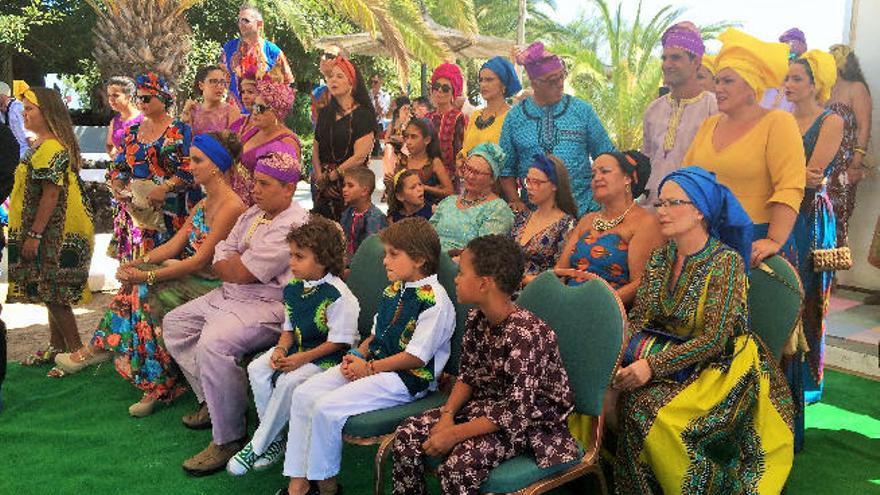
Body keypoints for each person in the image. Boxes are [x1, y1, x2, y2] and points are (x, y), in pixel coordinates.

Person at [613, 166, 794, 495]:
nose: (662, 212)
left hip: (722, 369)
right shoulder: (660, 257)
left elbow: (714, 339)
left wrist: (651, 366)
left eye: (672, 203)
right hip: (663, 353)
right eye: (660, 203)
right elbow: (641, 318)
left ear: (698, 210)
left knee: (645, 409)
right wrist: (618, 356)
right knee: (603, 388)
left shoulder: (725, 262)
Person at [53, 132, 247, 417]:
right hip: (196, 278)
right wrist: (137, 263)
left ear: (216, 165)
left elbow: (199, 261)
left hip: (215, 285)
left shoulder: (231, 206)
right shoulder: (205, 204)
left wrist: (147, 276)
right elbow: (173, 246)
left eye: (196, 160)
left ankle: (118, 359)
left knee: (146, 288)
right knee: (141, 281)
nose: (189, 166)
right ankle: (147, 377)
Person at [391, 234, 578, 495]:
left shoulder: (527, 334)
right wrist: (447, 416)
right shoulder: (477, 318)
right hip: (486, 409)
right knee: (406, 436)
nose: (455, 278)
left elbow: (516, 412)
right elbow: (467, 376)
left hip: (530, 426)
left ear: (483, 283)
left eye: (461, 272)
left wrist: (454, 434)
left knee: (458, 466)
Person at [281, 218, 455, 495]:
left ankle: (326, 488)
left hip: (405, 380)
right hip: (371, 366)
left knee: (326, 408)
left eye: (393, 254)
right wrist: (354, 355)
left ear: (420, 259)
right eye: (385, 253)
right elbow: (374, 337)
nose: (385, 261)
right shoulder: (393, 289)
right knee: (303, 394)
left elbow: (416, 358)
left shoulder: (434, 300)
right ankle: (298, 485)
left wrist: (369, 367)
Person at [163, 151, 309, 475]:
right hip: (232, 294)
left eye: (263, 183)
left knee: (213, 344)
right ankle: (215, 403)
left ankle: (229, 436)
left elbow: (243, 271)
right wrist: (232, 262)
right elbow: (223, 252)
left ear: (288, 189)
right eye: (254, 181)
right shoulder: (254, 212)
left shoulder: (295, 223)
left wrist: (232, 262)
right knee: (174, 325)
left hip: (268, 304)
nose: (254, 189)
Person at [227, 216, 359, 476]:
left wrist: (300, 359)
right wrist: (280, 350)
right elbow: (289, 329)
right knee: (257, 368)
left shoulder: (339, 295)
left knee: (289, 381)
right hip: (298, 351)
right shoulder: (294, 287)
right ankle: (275, 440)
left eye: (299, 257)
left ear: (322, 260)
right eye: (291, 255)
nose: (291, 262)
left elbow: (339, 342)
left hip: (328, 359)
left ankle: (258, 444)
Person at [684, 28, 806, 268]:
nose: (718, 88)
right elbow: (687, 180)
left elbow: (790, 186)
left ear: (751, 87)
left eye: (728, 81)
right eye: (717, 81)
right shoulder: (709, 125)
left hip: (757, 243)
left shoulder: (778, 123)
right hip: (707, 240)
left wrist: (773, 239)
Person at [5, 85, 94, 369]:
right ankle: (57, 346)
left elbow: (51, 195)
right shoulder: (42, 146)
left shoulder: (51, 148)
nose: (25, 114)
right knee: (48, 290)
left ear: (46, 113)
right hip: (48, 231)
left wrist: (34, 235)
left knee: (55, 293)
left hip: (54, 233)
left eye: (30, 109)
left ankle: (77, 351)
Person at [786, 50, 844, 449]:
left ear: (815, 84)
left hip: (810, 215)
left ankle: (807, 381)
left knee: (808, 294)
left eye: (795, 79)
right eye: (786, 78)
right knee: (787, 290)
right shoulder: (784, 119)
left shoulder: (831, 120)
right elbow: (796, 173)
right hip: (785, 209)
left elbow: (813, 175)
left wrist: (783, 170)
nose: (787, 86)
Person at [499, 42, 615, 215]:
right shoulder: (515, 118)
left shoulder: (581, 111)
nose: (560, 84)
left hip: (582, 212)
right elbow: (506, 169)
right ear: (535, 83)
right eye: (552, 81)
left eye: (562, 76)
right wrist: (515, 201)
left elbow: (607, 154)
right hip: (533, 216)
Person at [554, 151, 662, 306]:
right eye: (593, 175)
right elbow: (560, 270)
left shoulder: (645, 222)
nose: (597, 178)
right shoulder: (587, 220)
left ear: (627, 179)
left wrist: (602, 305)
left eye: (605, 171)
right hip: (569, 303)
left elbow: (641, 283)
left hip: (609, 312)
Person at [107, 72, 194, 263]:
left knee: (169, 265)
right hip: (139, 214)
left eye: (146, 98)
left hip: (174, 212)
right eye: (138, 98)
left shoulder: (179, 130)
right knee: (139, 265)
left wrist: (165, 187)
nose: (140, 102)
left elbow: (190, 167)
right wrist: (117, 183)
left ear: (163, 98)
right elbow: (120, 166)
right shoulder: (132, 132)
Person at [642, 22, 718, 206]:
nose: (667, 64)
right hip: (653, 207)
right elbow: (647, 161)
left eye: (675, 58)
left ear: (696, 62)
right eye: (664, 58)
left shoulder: (714, 107)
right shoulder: (653, 110)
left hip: (696, 211)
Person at [313, 55, 376, 221]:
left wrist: (333, 177)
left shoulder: (364, 115)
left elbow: (360, 156)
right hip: (323, 185)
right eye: (331, 76)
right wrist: (320, 178)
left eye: (340, 76)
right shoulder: (325, 112)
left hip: (352, 184)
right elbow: (316, 146)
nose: (333, 80)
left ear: (351, 83)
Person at [431, 143, 515, 256]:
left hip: (464, 268)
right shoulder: (448, 202)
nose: (470, 176)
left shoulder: (498, 210)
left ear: (492, 179)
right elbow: (427, 237)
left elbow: (483, 254)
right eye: (468, 168)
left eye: (477, 173)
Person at [827, 44, 873, 244]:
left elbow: (864, 126)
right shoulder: (825, 89)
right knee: (819, 219)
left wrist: (856, 162)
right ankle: (816, 275)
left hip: (845, 164)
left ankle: (832, 272)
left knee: (838, 220)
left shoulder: (856, 88)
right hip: (822, 164)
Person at [509, 154, 576, 287]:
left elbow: (560, 276)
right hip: (507, 287)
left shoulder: (567, 225)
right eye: (528, 181)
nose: (529, 187)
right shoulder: (523, 217)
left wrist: (522, 279)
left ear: (554, 185)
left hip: (539, 293)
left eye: (537, 182)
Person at [233, 76, 299, 206]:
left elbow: (284, 190)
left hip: (259, 208)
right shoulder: (255, 130)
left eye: (260, 108)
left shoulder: (287, 142)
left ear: (277, 111)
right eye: (255, 106)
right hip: (236, 202)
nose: (254, 111)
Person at [220, 4, 293, 111]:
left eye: (246, 20)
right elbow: (222, 77)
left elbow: (286, 82)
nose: (241, 24)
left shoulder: (272, 51)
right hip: (235, 117)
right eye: (239, 20)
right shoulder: (228, 48)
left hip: (263, 117)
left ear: (259, 23)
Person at [460, 57, 522, 159]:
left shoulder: (513, 118)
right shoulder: (476, 115)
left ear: (503, 84)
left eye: (489, 80)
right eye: (481, 80)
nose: (483, 84)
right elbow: (465, 149)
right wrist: (460, 159)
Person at [391, 118, 454, 205]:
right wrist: (390, 182)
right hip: (404, 212)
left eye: (413, 137)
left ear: (427, 140)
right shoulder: (403, 161)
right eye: (406, 137)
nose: (408, 142)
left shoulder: (434, 162)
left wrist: (425, 188)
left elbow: (449, 191)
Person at [428, 63, 467, 184]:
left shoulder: (458, 117)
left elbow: (459, 151)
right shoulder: (426, 117)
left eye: (445, 88)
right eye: (437, 86)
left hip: (449, 180)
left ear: (453, 93)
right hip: (425, 177)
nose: (440, 90)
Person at [339, 167, 388, 259]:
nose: (344, 189)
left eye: (350, 186)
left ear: (364, 191)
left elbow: (371, 252)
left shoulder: (375, 218)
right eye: (344, 185)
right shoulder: (347, 213)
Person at [759, 27, 807, 112]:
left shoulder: (803, 91)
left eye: (798, 56)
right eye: (789, 55)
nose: (792, 60)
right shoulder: (764, 82)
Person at [182, 65, 241, 135]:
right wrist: (185, 112)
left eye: (222, 82)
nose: (219, 86)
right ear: (201, 85)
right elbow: (185, 141)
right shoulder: (192, 111)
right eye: (213, 81)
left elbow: (235, 142)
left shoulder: (231, 111)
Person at [104, 76, 143, 160]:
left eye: (115, 95)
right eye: (109, 95)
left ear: (129, 96)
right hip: (120, 171)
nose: (110, 99)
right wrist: (113, 154)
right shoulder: (114, 122)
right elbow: (109, 144)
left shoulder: (144, 119)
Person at [0, 81, 29, 158]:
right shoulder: (2, 112)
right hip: (10, 154)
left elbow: (29, 134)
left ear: (2, 96)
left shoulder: (18, 108)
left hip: (24, 154)